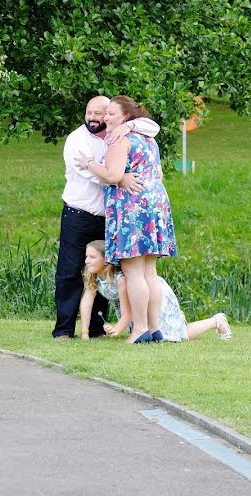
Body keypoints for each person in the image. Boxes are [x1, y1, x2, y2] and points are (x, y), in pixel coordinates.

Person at [53, 96, 159, 339]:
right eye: (89, 112)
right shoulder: (76, 139)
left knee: (106, 272)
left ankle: (98, 329)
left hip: (110, 217)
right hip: (79, 214)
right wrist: (119, 177)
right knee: (69, 272)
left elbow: (152, 126)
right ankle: (64, 329)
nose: (93, 117)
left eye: (100, 113)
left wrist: (129, 125)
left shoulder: (118, 135)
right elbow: (88, 172)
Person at [76, 96, 177, 343]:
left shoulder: (121, 140)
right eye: (105, 113)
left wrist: (89, 163)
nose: (105, 118)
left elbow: (112, 175)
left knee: (133, 272)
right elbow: (159, 172)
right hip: (154, 205)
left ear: (126, 117)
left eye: (111, 113)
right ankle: (154, 328)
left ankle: (140, 327)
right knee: (149, 272)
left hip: (132, 208)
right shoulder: (148, 138)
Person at [79, 240, 232, 341]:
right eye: (86, 256)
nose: (87, 261)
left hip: (154, 296)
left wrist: (117, 330)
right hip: (138, 304)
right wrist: (84, 332)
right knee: (156, 335)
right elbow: (87, 301)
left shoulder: (121, 280)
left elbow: (129, 311)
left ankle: (216, 321)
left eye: (92, 257)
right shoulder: (95, 277)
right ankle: (178, 318)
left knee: (176, 336)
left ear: (106, 262)